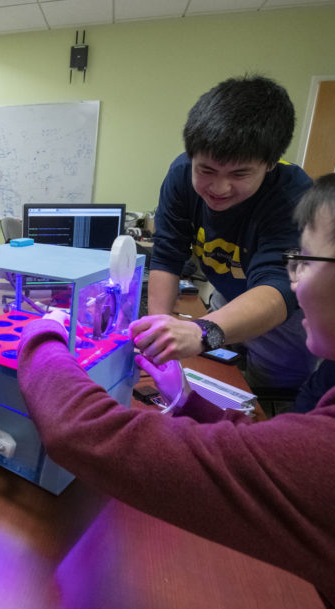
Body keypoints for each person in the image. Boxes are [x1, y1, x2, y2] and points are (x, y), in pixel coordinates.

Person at [17, 127, 335, 609]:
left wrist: (43, 337)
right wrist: (191, 402)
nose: (294, 281)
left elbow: (86, 436)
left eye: (304, 261)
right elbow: (290, 455)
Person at [135, 75, 316, 391]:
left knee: (268, 395)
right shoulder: (180, 175)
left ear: (270, 164)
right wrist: (158, 335)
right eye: (205, 170)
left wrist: (202, 332)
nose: (218, 188)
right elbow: (167, 255)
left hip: (282, 314)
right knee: (215, 375)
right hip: (228, 295)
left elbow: (278, 285)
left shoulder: (293, 195)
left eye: (239, 174)